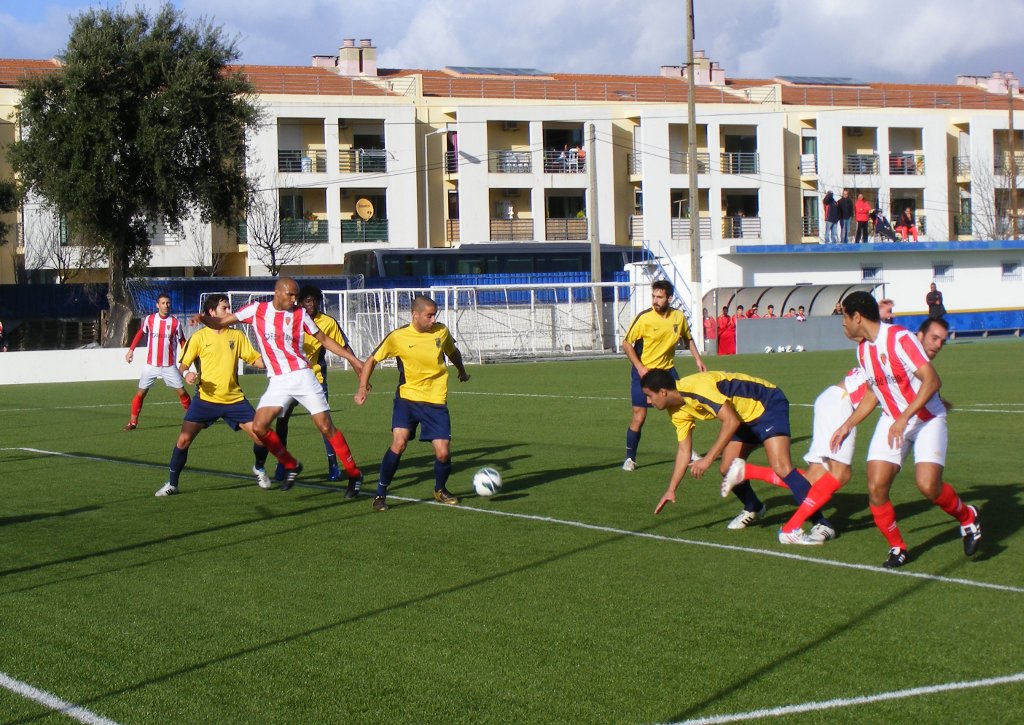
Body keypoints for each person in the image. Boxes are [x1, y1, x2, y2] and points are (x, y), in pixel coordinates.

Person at [729, 317, 953, 544]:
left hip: (833, 399)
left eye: (942, 341)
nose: (938, 345)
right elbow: (884, 388)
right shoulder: (899, 349)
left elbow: (905, 389)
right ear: (919, 335)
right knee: (841, 474)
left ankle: (747, 472)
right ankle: (791, 528)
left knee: (815, 478)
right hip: (841, 403)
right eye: (934, 338)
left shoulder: (895, 349)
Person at [830, 292, 979, 567]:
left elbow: (932, 381)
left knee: (928, 485)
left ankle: (968, 518)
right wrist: (846, 425)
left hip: (926, 418)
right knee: (876, 487)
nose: (843, 325)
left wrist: (904, 417)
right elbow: (873, 392)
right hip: (893, 419)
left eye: (845, 319)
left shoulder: (900, 338)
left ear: (857, 317)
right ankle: (898, 548)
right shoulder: (863, 350)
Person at [189, 277, 366, 496]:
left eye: (296, 296)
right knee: (259, 426)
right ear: (277, 293)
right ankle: (291, 464)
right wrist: (203, 318)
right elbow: (220, 322)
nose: (294, 300)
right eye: (290, 295)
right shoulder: (256, 310)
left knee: (325, 427)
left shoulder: (300, 314)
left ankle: (355, 474)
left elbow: (324, 339)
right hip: (278, 380)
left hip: (302, 376)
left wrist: (353, 359)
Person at [644, 369, 830, 534]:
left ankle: (821, 523)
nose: (647, 401)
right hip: (742, 417)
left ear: (663, 392)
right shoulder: (676, 411)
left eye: (649, 395)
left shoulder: (696, 389)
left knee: (781, 467)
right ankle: (754, 507)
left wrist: (708, 459)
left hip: (767, 403)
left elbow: (731, 422)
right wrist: (671, 489)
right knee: (727, 469)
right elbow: (684, 451)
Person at [354, 295, 470, 512]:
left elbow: (452, 352)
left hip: (435, 400)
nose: (433, 319)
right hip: (407, 398)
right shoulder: (398, 336)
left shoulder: (441, 331)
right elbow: (371, 360)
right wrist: (362, 387)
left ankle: (440, 489)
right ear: (415, 315)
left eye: (435, 315)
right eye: (429, 315)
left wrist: (461, 370)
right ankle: (380, 493)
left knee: (443, 453)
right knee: (399, 444)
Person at [155, 294, 271, 496]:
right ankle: (172, 484)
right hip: (206, 400)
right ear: (211, 311)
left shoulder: (237, 336)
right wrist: (187, 373)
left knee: (262, 436)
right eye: (224, 308)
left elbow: (255, 360)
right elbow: (183, 364)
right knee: (183, 441)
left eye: (228, 308)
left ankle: (259, 468)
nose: (229, 311)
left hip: (234, 400)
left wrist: (277, 363)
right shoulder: (199, 337)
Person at [273, 285, 358, 483]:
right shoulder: (289, 319)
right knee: (282, 421)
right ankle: (282, 463)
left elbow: (344, 347)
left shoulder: (327, 322)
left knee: (325, 425)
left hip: (315, 380)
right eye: (307, 301)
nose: (312, 304)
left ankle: (333, 465)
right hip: (289, 380)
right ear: (300, 302)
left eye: (315, 300)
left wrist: (358, 369)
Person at [622, 280, 707, 472]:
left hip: (667, 372)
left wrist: (698, 360)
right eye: (653, 296)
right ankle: (630, 458)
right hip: (644, 373)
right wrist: (640, 367)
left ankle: (688, 451)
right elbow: (626, 344)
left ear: (669, 298)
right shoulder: (644, 318)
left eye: (659, 297)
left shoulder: (678, 317)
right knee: (639, 416)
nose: (655, 300)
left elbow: (687, 338)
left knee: (683, 411)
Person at [123, 292, 191, 431]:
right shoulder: (150, 319)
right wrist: (131, 350)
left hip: (169, 366)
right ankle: (133, 422)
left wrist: (187, 359)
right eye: (163, 303)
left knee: (182, 392)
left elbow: (182, 341)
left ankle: (193, 419)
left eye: (168, 303)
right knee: (141, 393)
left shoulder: (175, 322)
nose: (166, 305)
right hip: (151, 365)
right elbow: (140, 333)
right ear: (157, 305)